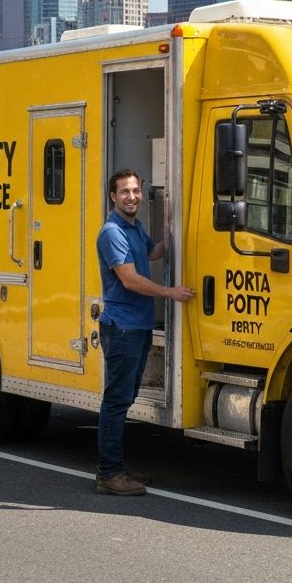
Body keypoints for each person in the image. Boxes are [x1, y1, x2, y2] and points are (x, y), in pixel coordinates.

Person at [95, 168, 195, 497]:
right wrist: (171, 292)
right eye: (125, 191)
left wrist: (177, 230)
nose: (132, 196)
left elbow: (152, 253)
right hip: (122, 327)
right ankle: (108, 474)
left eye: (136, 191)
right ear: (113, 196)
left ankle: (117, 467)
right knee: (115, 401)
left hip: (137, 326)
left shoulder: (135, 228)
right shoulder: (112, 232)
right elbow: (129, 279)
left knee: (124, 399)